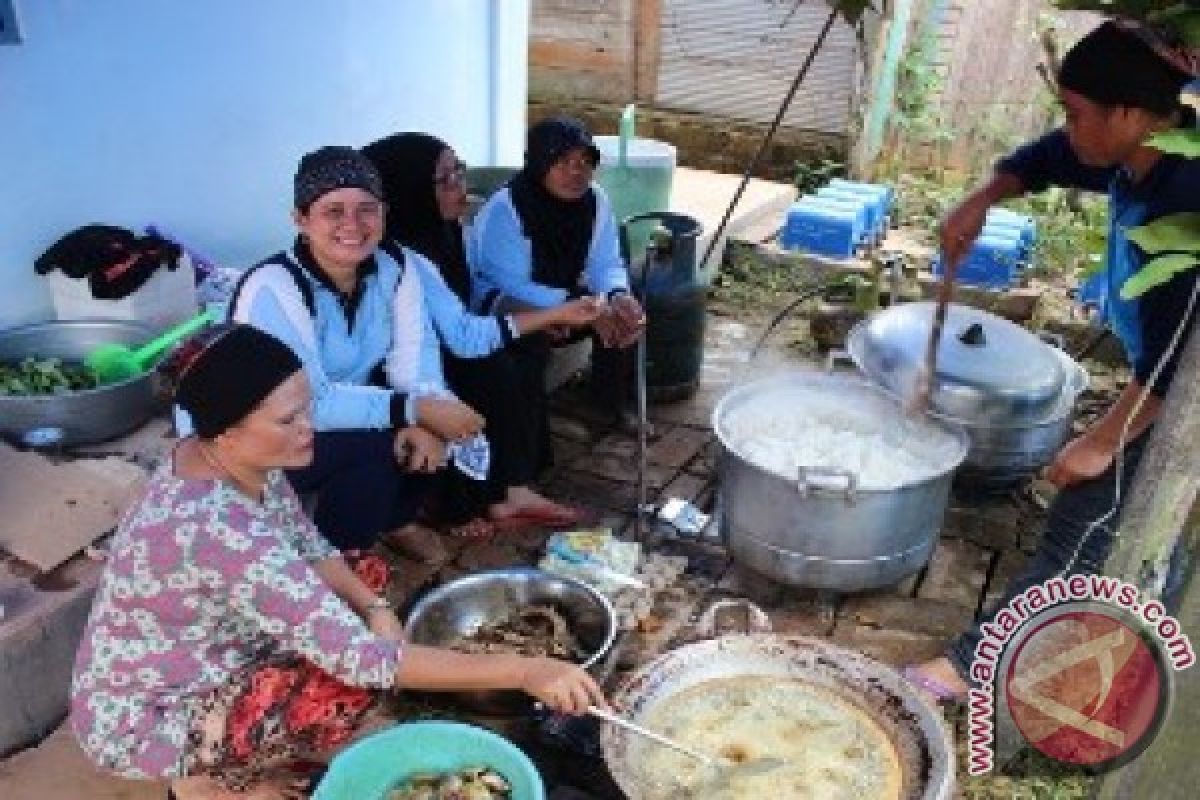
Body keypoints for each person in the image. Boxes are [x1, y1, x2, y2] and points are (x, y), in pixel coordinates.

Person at [70, 325, 608, 800]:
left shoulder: (231, 460)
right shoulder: (215, 531)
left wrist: (376, 607)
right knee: (346, 687)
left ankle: (223, 762)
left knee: (361, 576)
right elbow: (362, 662)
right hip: (147, 719)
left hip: (207, 651)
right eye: (289, 418)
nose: (308, 425)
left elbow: (307, 544)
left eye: (307, 406)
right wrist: (526, 669)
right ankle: (205, 782)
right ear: (226, 430)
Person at [905, 19, 1198, 702]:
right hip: (1160, 371)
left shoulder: (1185, 200)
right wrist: (981, 200)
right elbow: (1048, 159)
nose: (1068, 129)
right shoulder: (1143, 153)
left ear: (1128, 114)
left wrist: (1101, 441)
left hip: (1179, 388)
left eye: (1075, 114)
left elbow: (1176, 357)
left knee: (1085, 517)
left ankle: (980, 668)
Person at [226, 146, 599, 549]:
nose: (352, 224)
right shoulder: (275, 286)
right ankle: (335, 559)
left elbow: (415, 367)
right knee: (383, 444)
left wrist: (429, 416)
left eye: (367, 209)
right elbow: (307, 403)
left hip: (330, 418)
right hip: (256, 435)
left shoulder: (395, 267)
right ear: (301, 220)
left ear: (385, 212)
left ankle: (394, 520)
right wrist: (413, 411)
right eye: (333, 211)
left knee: (434, 425)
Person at [362, 131, 596, 533]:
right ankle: (457, 502)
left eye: (460, 171)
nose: (461, 186)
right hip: (402, 367)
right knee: (491, 367)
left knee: (527, 349)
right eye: (445, 179)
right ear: (411, 190)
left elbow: (473, 294)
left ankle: (511, 488)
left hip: (448, 340)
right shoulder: (403, 253)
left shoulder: (450, 231)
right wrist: (552, 312)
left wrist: (537, 316)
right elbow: (462, 337)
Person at [471, 116, 647, 466]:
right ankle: (529, 452)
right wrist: (583, 309)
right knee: (530, 344)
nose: (576, 173)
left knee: (628, 312)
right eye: (563, 162)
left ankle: (606, 406)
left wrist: (616, 296)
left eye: (584, 163)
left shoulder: (595, 201)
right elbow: (511, 285)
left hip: (562, 295)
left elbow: (605, 262)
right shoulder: (506, 210)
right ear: (539, 163)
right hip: (502, 305)